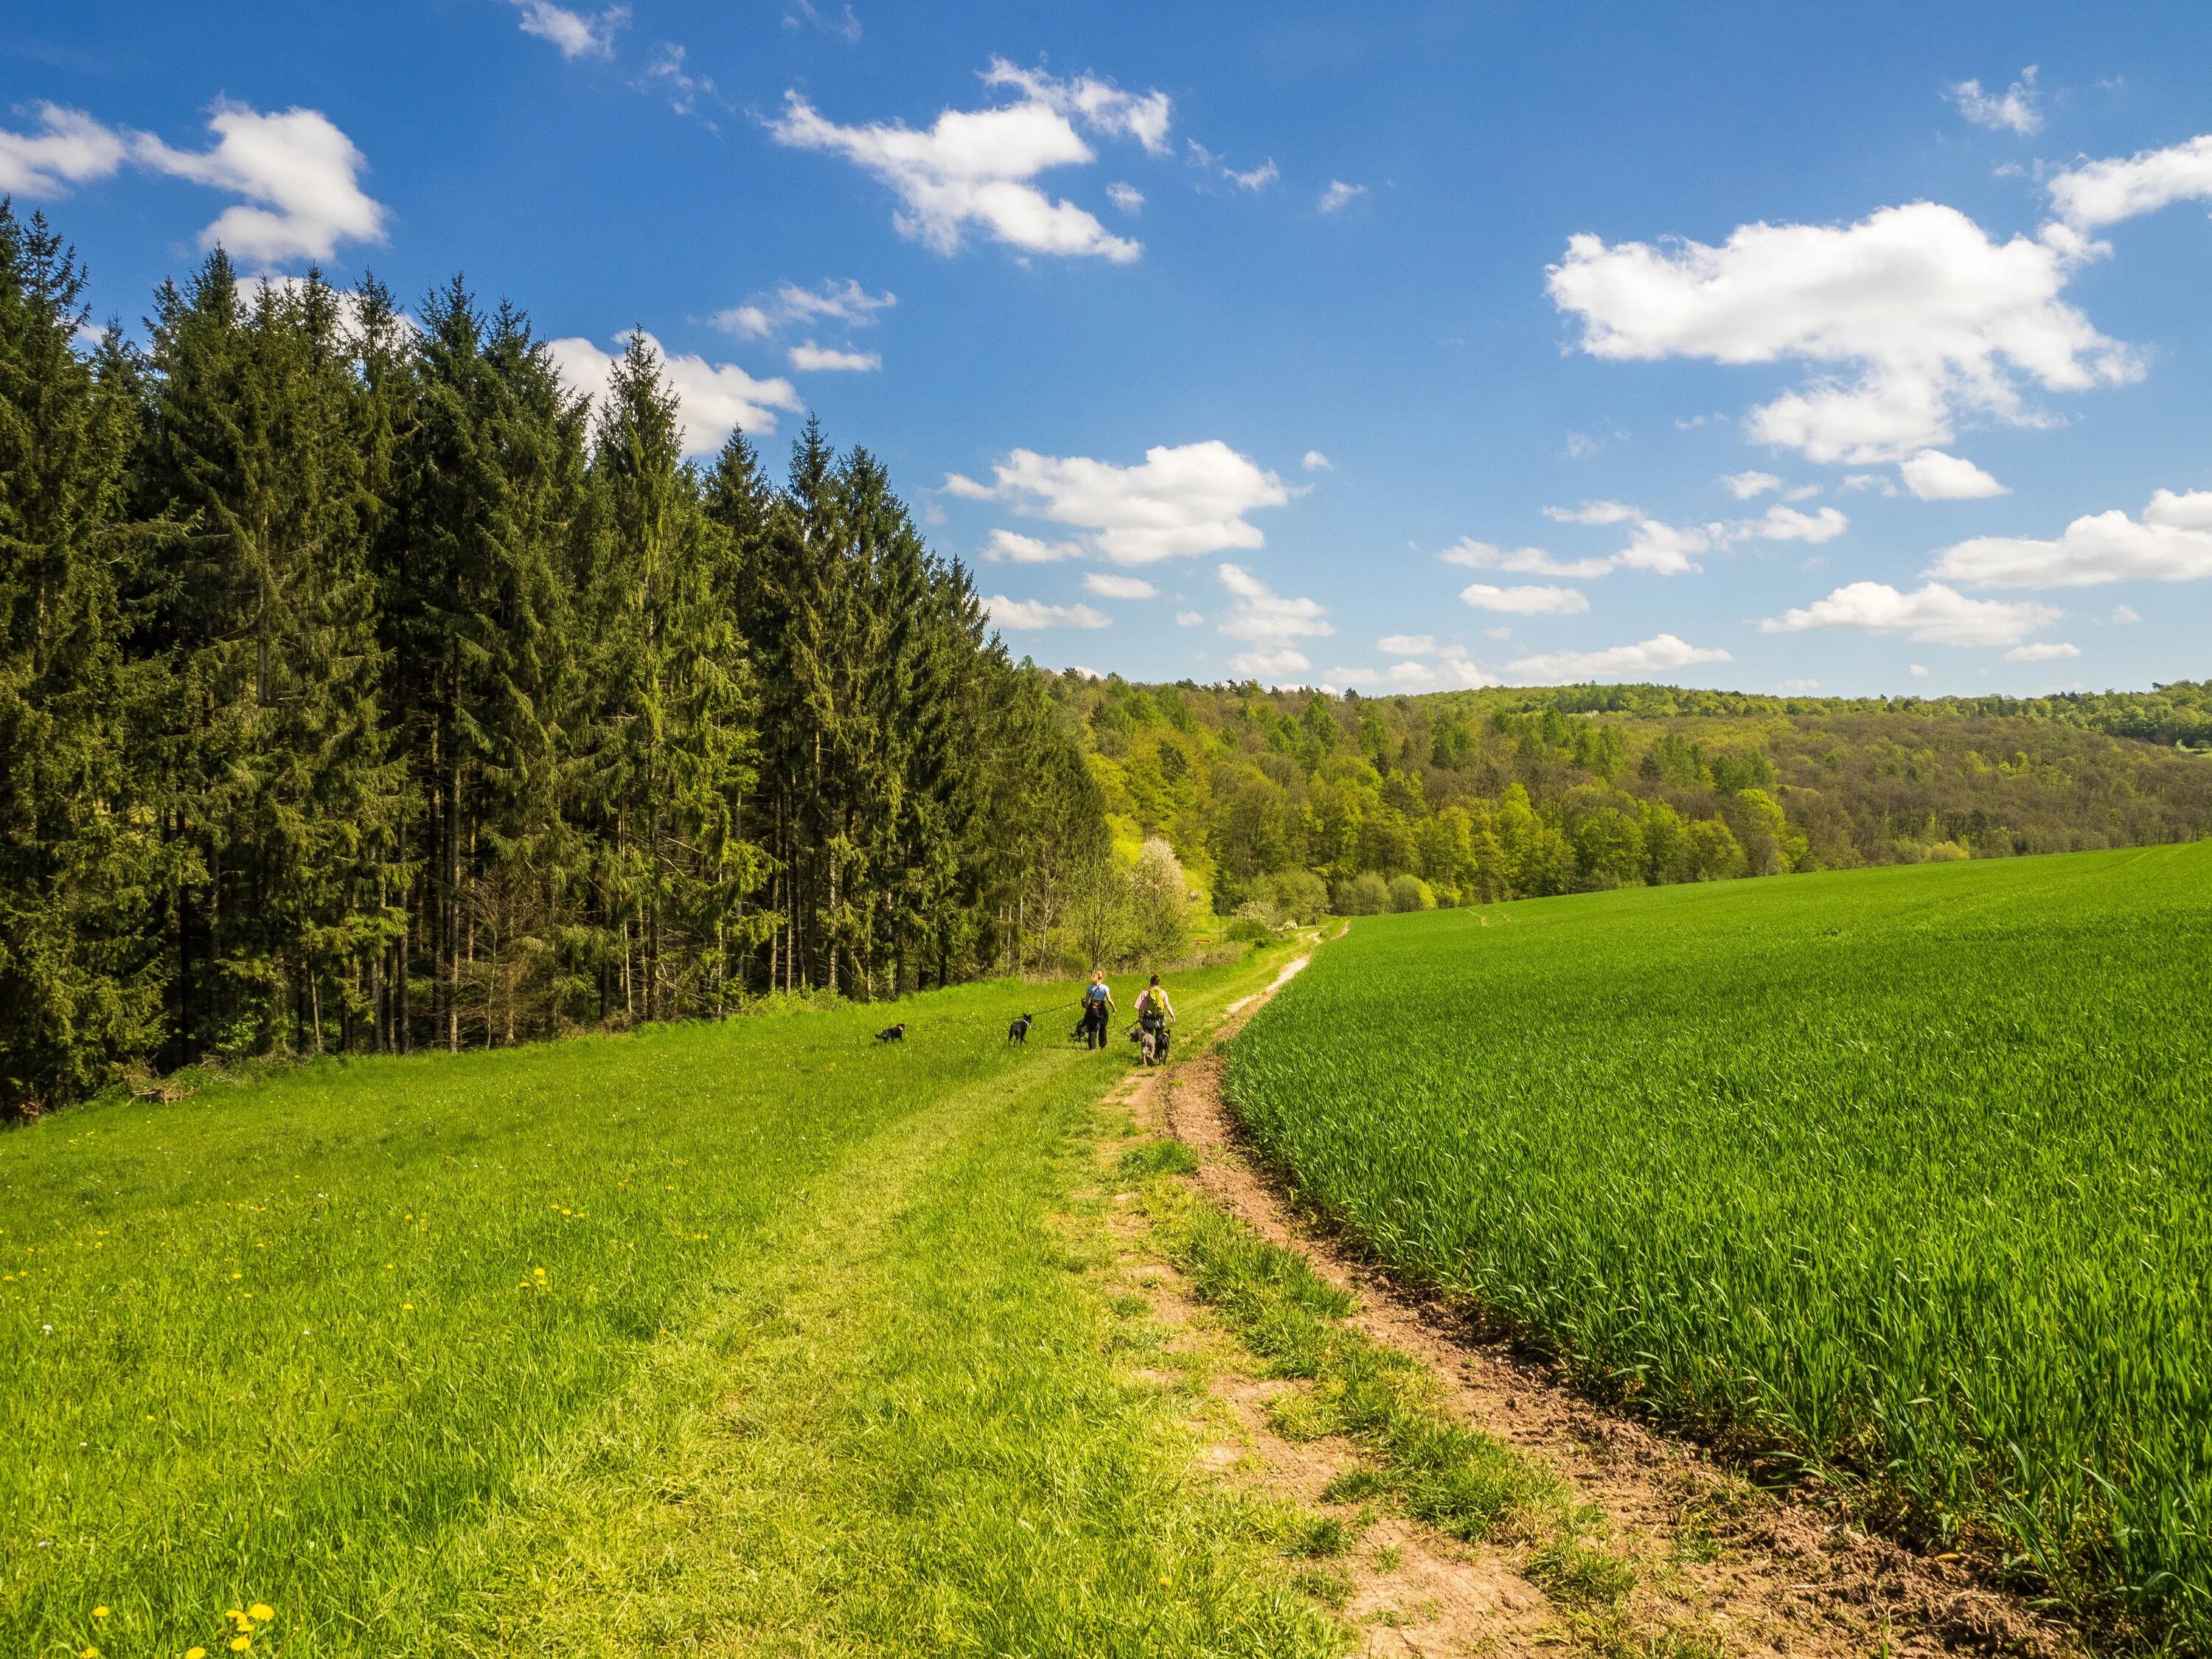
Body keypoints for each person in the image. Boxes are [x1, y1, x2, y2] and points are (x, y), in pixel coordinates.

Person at [1135, 973, 1176, 1063]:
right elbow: (1167, 1005)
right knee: (1159, 1037)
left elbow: (1141, 1008)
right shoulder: (1163, 993)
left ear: (1150, 982)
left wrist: (1140, 1018)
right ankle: (1157, 1055)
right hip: (1160, 1020)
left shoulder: (1145, 993)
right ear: (1159, 983)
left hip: (1148, 1019)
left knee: (1148, 1038)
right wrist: (1172, 1015)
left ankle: (1148, 1055)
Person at [1081, 970, 1115, 1051]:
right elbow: (1109, 999)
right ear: (1102, 978)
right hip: (1101, 1009)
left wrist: (1087, 1011)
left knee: (1092, 1028)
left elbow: (1086, 1001)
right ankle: (1102, 1045)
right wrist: (1114, 1008)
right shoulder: (1105, 988)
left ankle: (1092, 1047)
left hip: (1092, 1009)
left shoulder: (1089, 988)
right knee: (1103, 1027)